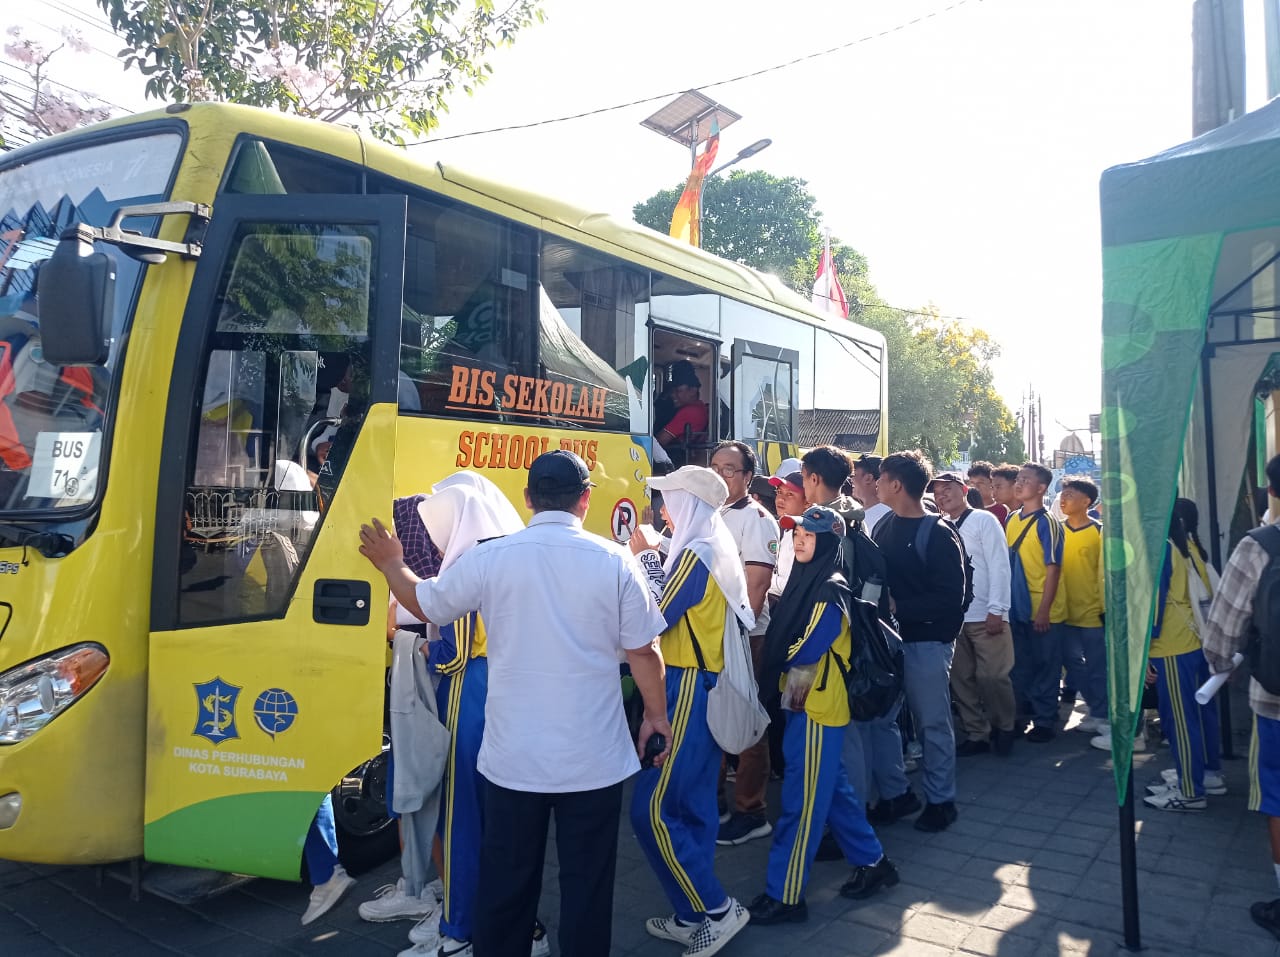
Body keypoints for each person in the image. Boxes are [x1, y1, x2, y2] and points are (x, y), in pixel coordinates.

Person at [358, 450, 671, 957]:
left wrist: (392, 563)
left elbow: (427, 603)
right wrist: (656, 716)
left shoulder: (491, 556)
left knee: (507, 885)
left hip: (512, 761)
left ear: (528, 499)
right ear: (586, 500)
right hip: (592, 761)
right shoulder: (616, 561)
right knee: (588, 886)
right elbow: (644, 651)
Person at [746, 506, 898, 925]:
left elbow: (808, 649)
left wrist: (774, 658)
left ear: (829, 541)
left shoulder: (830, 588)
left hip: (816, 705)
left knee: (802, 802)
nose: (800, 541)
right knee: (831, 793)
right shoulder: (804, 580)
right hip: (802, 702)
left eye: (810, 536)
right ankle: (873, 863)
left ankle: (786, 894)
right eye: (797, 534)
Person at [628, 465, 753, 954]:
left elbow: (656, 613)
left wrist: (643, 558)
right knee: (695, 806)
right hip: (702, 684)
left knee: (652, 809)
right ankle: (691, 913)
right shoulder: (708, 544)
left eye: (670, 499)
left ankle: (717, 909)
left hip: (684, 686)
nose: (662, 508)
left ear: (688, 505)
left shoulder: (695, 553)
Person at [1201, 455, 1280, 937]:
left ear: (1270, 492)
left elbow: (1221, 632)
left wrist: (1222, 665)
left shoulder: (1260, 546)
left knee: (1277, 795)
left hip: (1274, 702)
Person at [872, 451, 965, 832]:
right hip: (888, 642)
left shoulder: (939, 532)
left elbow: (951, 596)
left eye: (879, 478)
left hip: (926, 642)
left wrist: (899, 607)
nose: (875, 484)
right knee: (884, 720)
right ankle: (897, 794)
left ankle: (941, 801)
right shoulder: (883, 527)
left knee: (931, 723)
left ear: (896, 485)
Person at [709, 441, 780, 847]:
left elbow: (757, 585)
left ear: (748, 477)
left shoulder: (756, 519)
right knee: (717, 717)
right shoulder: (711, 513)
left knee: (747, 720)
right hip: (711, 635)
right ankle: (715, 802)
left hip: (744, 636)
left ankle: (751, 811)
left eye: (730, 469)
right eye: (715, 466)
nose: (721, 475)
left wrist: (738, 630)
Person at [1132, 510, 1222, 811]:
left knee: (1180, 723)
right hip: (1191, 641)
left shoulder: (1160, 547)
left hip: (1170, 645)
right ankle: (1201, 776)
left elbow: (1154, 605)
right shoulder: (1183, 544)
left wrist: (1143, 650)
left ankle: (1190, 791)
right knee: (1196, 717)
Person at [928, 472, 1016, 757]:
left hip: (985, 615)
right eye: (937, 492)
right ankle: (977, 732)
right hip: (954, 619)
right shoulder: (939, 525)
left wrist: (997, 609)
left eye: (948, 489)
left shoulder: (983, 520)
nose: (942, 496)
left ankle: (1005, 726)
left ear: (964, 489)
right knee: (960, 678)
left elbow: (1000, 565)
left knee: (993, 677)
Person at [1006, 463, 1068, 743]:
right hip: (1017, 608)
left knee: (1046, 667)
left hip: (1045, 611)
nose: (1019, 484)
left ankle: (1045, 720)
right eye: (1018, 479)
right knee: (1020, 666)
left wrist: (1044, 610)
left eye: (1026, 480)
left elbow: (1053, 569)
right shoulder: (1011, 519)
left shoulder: (1048, 523)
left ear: (1042, 488)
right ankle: (1021, 718)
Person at [1057, 478, 1109, 739]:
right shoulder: (1056, 530)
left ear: (1087, 501)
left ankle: (1101, 712)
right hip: (1063, 612)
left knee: (1098, 666)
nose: (1063, 499)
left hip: (1093, 613)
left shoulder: (1100, 532)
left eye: (1070, 494)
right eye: (1063, 494)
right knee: (1072, 664)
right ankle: (1096, 705)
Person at [656, 360, 709, 452]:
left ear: (693, 390)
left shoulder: (689, 412)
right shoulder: (700, 408)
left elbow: (659, 442)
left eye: (678, 391)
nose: (673, 395)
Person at [851, 454, 892, 534]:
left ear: (868, 478)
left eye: (854, 475)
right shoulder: (858, 513)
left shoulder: (885, 516)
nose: (851, 479)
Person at [967, 460, 1009, 526]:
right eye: (972, 483)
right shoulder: (965, 510)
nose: (975, 487)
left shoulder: (1004, 510)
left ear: (992, 483)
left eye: (980, 483)